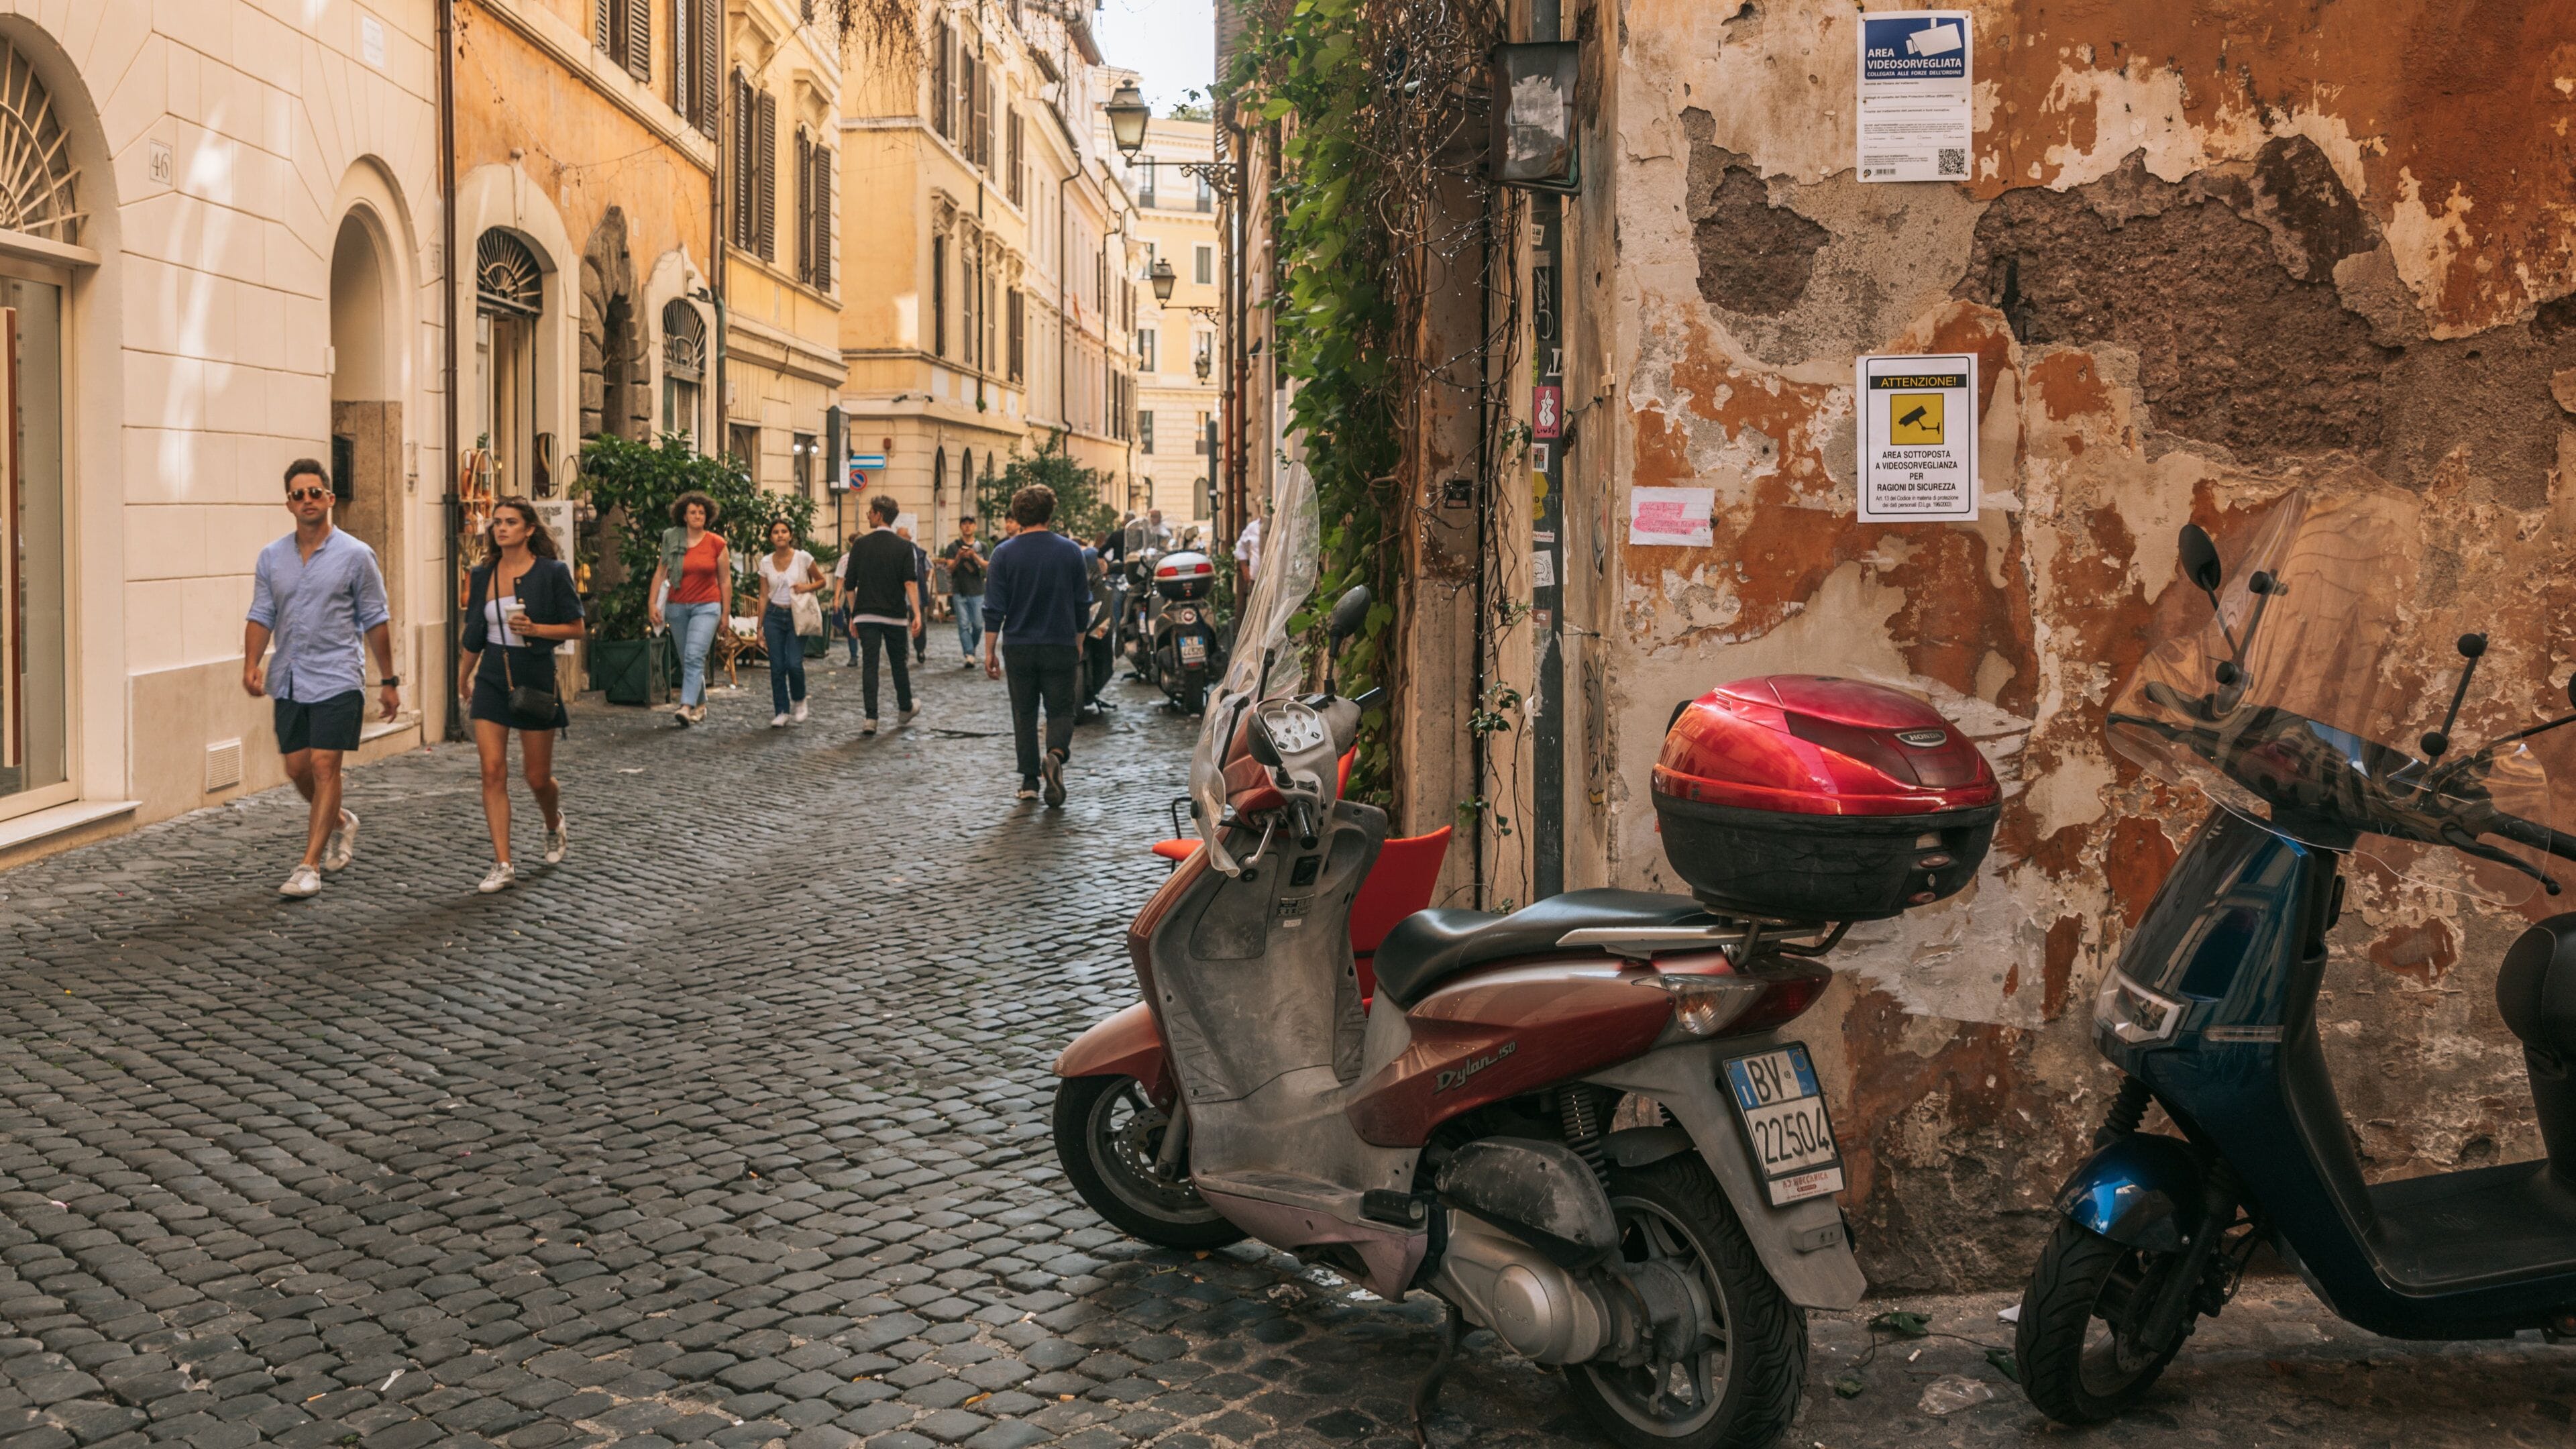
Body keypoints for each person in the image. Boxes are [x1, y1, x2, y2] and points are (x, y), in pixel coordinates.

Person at [243, 458, 400, 899]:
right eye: (299, 494)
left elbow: (376, 619)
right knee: (297, 768)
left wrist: (388, 680)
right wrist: (251, 662)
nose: (307, 500)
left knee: (324, 765)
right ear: (288, 504)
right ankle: (339, 821)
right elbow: (261, 613)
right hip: (290, 676)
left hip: (338, 676)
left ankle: (308, 865)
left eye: (315, 492)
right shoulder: (272, 557)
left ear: (330, 499)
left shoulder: (356, 555)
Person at [458, 498, 583, 894]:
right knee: (492, 771)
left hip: (534, 676)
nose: (501, 528)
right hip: (493, 673)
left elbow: (577, 627)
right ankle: (503, 863)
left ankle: (552, 822)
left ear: (529, 529)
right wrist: (463, 676)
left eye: (511, 522)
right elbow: (476, 633)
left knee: (537, 777)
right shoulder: (484, 574)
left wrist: (537, 630)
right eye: (497, 522)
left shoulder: (552, 572)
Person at [983, 483, 1089, 807]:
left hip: (1019, 646)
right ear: (1050, 513)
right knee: (1061, 709)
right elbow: (1082, 603)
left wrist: (989, 650)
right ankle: (1055, 754)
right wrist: (1079, 641)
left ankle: (1029, 781)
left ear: (1017, 515)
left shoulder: (1003, 553)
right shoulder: (1070, 550)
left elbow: (993, 608)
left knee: (1024, 713)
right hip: (1060, 642)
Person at [840, 494, 922, 733]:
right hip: (895, 615)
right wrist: (916, 614)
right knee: (899, 664)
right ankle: (905, 707)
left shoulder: (860, 545)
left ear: (879, 515)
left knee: (870, 665)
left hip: (866, 615)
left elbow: (849, 584)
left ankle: (871, 718)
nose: (868, 515)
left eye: (870, 512)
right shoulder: (905, 547)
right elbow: (910, 583)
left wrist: (854, 615)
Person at [649, 492, 727, 725]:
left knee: (695, 656)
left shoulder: (717, 543)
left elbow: (725, 581)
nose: (698, 516)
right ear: (684, 516)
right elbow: (661, 572)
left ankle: (685, 706)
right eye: (693, 512)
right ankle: (700, 705)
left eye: (702, 512)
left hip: (707, 606)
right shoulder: (672, 540)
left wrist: (725, 614)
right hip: (677, 606)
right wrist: (652, 603)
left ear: (708, 516)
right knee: (687, 659)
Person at [756, 519, 828, 727]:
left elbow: (821, 581)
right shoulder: (766, 562)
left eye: (784, 531)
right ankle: (781, 711)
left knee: (794, 664)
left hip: (798, 615)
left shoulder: (803, 558)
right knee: (777, 666)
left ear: (790, 535)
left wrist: (806, 587)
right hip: (774, 616)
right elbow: (763, 595)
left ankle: (799, 699)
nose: (780, 535)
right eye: (776, 532)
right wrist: (760, 625)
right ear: (771, 537)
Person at [942, 517, 987, 667]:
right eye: (964, 524)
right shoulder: (953, 547)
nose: (967, 527)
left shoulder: (982, 546)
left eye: (970, 524)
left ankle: (971, 649)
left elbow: (987, 566)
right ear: (961, 527)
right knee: (963, 624)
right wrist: (958, 557)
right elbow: (949, 569)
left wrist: (974, 556)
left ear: (975, 527)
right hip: (959, 590)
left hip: (977, 590)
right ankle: (969, 654)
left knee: (978, 625)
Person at [900, 525, 932, 664]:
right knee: (900, 625)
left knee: (920, 624)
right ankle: (903, 652)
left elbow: (928, 568)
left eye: (903, 537)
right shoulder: (894, 552)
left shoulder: (919, 553)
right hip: (899, 596)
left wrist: (921, 583)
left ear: (909, 538)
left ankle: (920, 649)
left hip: (916, 595)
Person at [1235, 504, 1266, 596]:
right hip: (1256, 578)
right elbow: (1240, 548)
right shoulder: (1253, 527)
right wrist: (1245, 569)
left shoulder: (1278, 526)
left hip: (1275, 579)